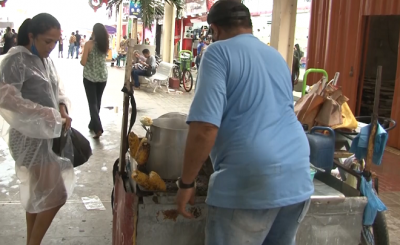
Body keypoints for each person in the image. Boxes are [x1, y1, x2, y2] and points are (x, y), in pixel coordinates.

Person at [175, 1, 313, 245]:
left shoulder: (217, 53)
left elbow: (205, 128)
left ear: (215, 30)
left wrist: (187, 182)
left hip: (250, 179)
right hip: (297, 172)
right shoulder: (276, 56)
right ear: (248, 25)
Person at [0, 13, 75, 245]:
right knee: (58, 194)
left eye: (55, 41)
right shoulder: (16, 60)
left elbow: (57, 89)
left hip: (46, 134)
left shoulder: (45, 59)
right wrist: (48, 115)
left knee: (37, 196)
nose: (52, 47)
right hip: (28, 138)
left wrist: (61, 108)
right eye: (47, 41)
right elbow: (7, 98)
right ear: (31, 36)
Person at [80, 23, 109, 139]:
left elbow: (83, 62)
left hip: (90, 77)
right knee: (97, 102)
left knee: (92, 103)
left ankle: (98, 128)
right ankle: (93, 124)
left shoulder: (88, 44)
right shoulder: (105, 45)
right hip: (102, 77)